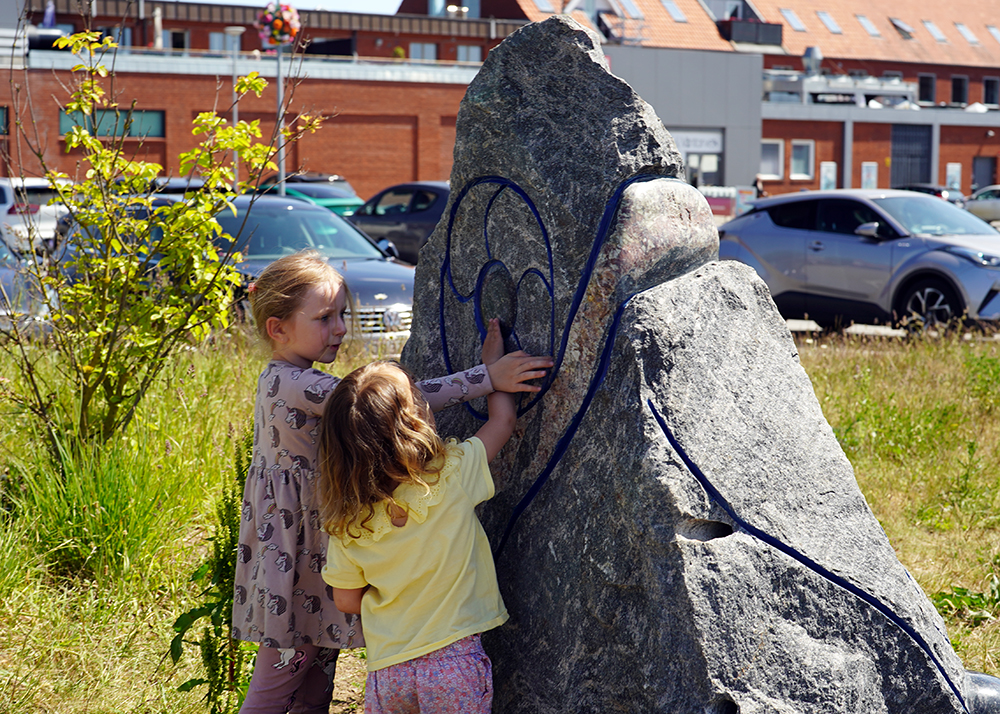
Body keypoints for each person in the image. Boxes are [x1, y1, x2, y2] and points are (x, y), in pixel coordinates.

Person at [233, 251, 551, 714]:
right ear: (277, 329)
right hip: (301, 559)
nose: (340, 328)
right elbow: (387, 405)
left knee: (314, 681)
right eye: (324, 318)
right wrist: (487, 378)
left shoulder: (289, 379)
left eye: (342, 314)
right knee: (278, 682)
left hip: (318, 551)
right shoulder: (294, 384)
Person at [319, 318, 515, 714]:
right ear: (414, 424)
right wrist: (493, 369)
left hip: (388, 670)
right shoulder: (451, 477)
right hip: (453, 663)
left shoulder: (348, 521)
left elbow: (346, 599)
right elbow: (503, 423)